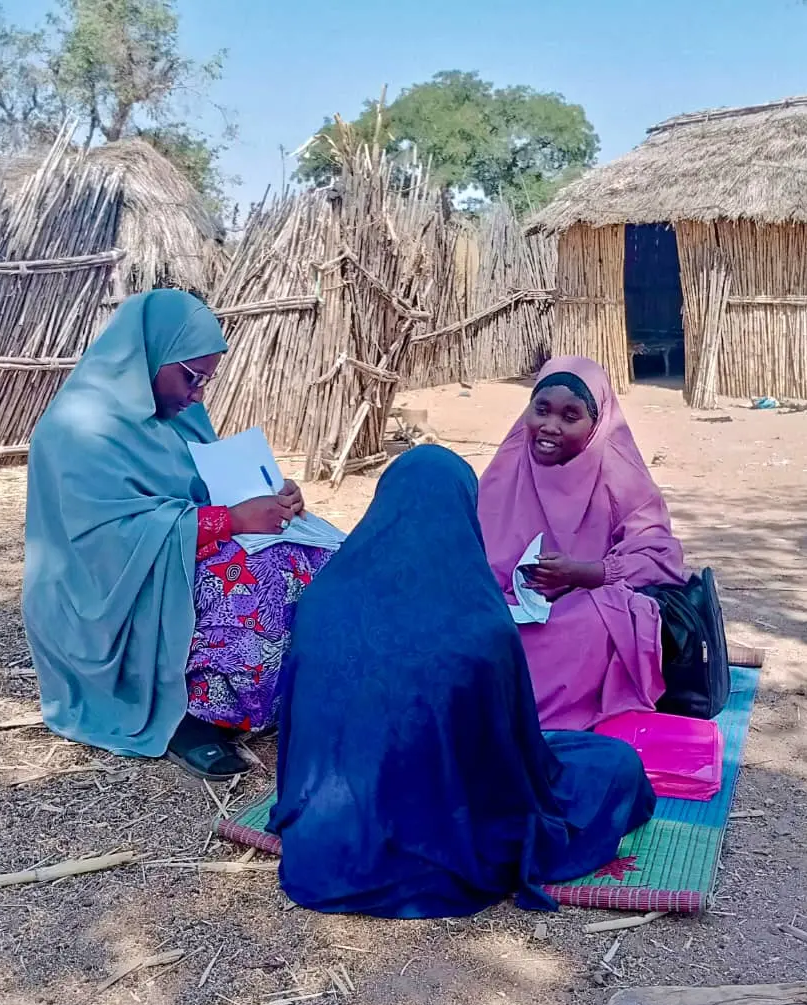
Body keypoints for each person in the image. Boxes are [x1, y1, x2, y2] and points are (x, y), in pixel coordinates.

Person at [268, 446, 655, 918]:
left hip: (328, 837)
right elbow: (512, 759)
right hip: (445, 834)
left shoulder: (322, 601)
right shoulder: (481, 625)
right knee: (614, 764)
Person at [22, 289, 332, 780]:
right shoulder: (76, 430)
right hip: (103, 596)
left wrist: (273, 498)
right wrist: (230, 521)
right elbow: (106, 541)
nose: (198, 394)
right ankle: (194, 714)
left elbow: (209, 486)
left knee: (310, 557)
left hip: (172, 554)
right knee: (254, 578)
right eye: (191, 377)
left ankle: (278, 698)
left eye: (207, 379)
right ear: (149, 356)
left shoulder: (181, 416)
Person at [478, 356, 687, 733]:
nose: (549, 427)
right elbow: (473, 544)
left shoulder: (617, 470)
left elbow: (660, 556)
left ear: (595, 423)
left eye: (570, 417)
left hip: (582, 604)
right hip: (507, 604)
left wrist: (585, 573)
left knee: (597, 618)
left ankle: (531, 723)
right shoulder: (510, 464)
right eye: (541, 410)